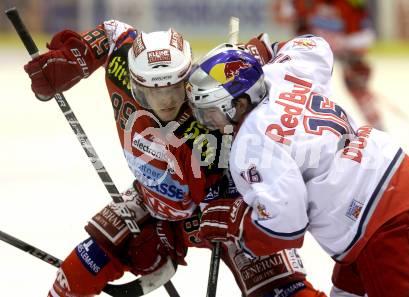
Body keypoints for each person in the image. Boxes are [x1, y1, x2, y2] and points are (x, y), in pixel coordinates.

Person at [24, 20, 327, 297]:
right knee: (78, 271)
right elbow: (115, 33)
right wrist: (77, 57)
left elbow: (272, 53)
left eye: (175, 87)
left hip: (226, 208)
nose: (166, 100)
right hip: (152, 201)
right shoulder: (123, 62)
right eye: (153, 91)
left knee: (284, 291)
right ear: (134, 82)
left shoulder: (211, 101)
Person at [187, 35, 409, 297]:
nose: (206, 122)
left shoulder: (251, 146)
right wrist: (268, 51)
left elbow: (286, 225)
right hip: (389, 186)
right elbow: (313, 45)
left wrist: (236, 223)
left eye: (210, 112)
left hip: (379, 220)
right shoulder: (282, 72)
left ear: (239, 104)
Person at [272, 0, 383, 129]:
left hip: (345, 50)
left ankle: (380, 129)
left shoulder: (351, 5)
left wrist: (342, 45)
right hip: (310, 48)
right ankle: (293, 125)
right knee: (299, 87)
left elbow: (364, 41)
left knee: (358, 84)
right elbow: (282, 18)